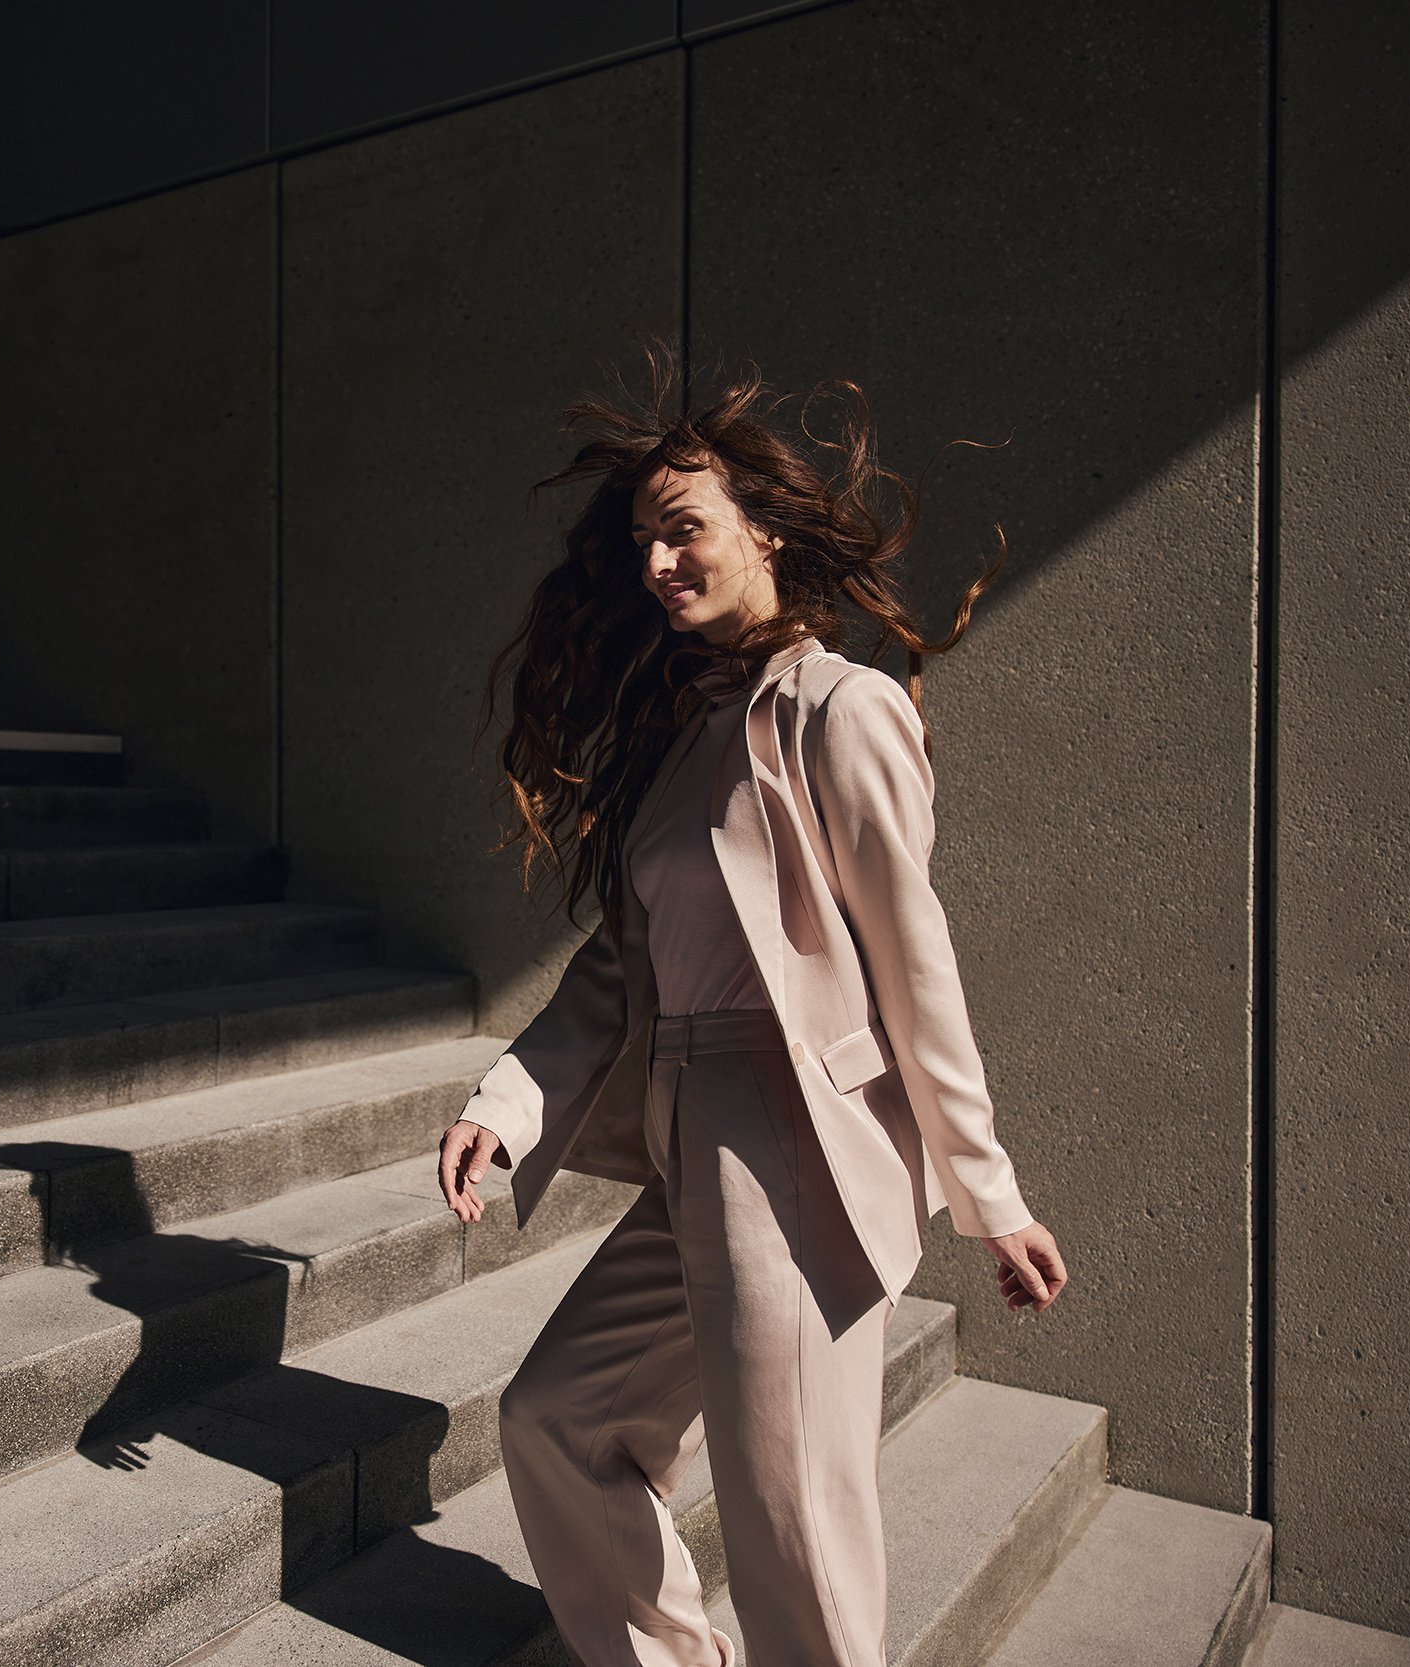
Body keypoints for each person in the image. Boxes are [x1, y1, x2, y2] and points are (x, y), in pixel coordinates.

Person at [435, 344, 1070, 1667]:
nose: (660, 564)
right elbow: (621, 967)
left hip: (793, 1152)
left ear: (763, 527)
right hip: (688, 1144)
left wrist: (987, 1192)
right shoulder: (682, 742)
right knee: (557, 1418)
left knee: (793, 1523)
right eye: (645, 545)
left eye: (684, 532)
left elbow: (916, 963)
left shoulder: (841, 713)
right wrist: (508, 1100)